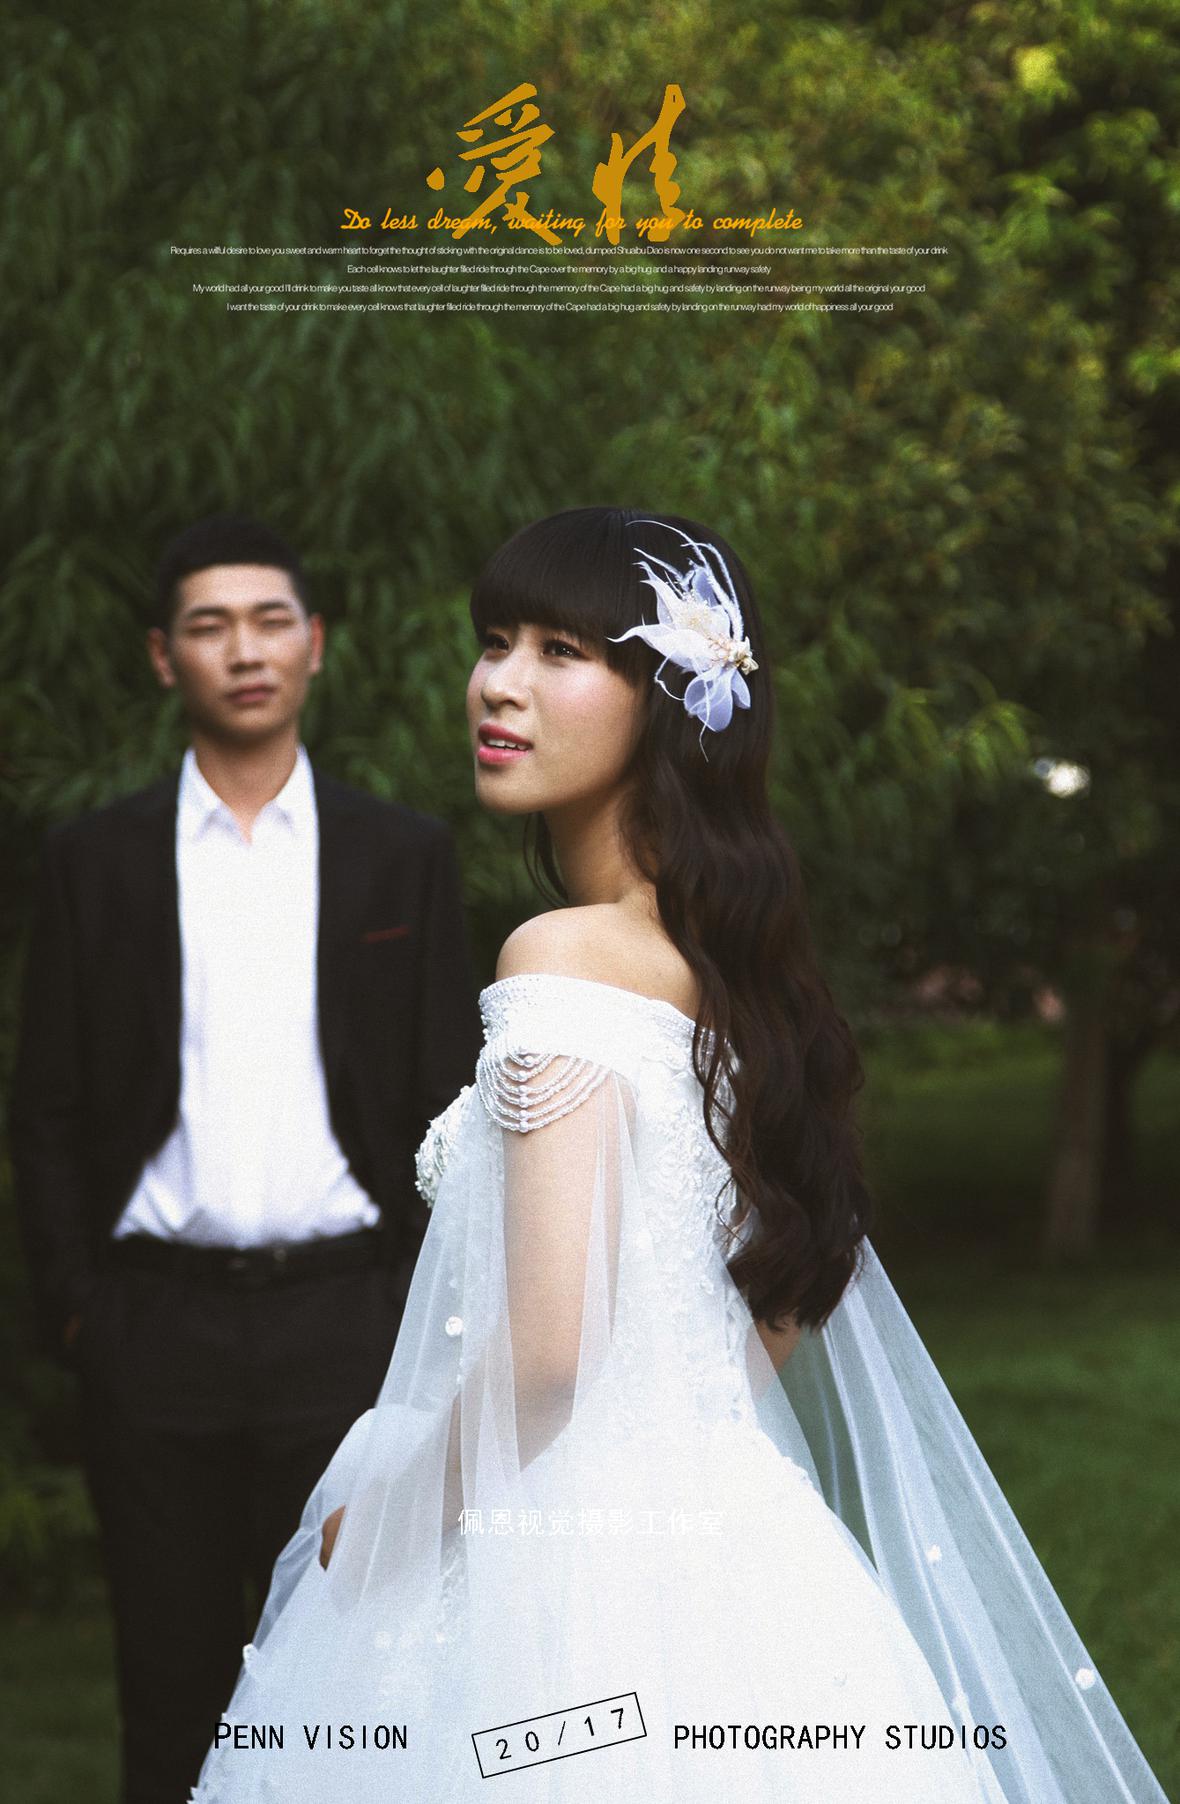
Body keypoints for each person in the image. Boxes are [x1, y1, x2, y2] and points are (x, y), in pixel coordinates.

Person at [190, 508, 1166, 1803]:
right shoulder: (739, 983)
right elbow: (773, 1309)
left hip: (551, 1570)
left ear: (667, 703)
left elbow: (547, 1356)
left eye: (560, 652)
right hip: (744, 1549)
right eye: (496, 640)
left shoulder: (561, 957)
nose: (499, 683)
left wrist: (389, 1524)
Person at [9, 513, 482, 1804]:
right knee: (169, 1689)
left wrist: (413, 1309)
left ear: (315, 643)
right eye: (209, 625)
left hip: (348, 1325)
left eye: (271, 620)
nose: (245, 649)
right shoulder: (95, 861)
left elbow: (448, 1100)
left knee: (353, 1681)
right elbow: (47, 1108)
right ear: (164, 656)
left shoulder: (401, 856)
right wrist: (80, 1312)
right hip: (152, 1329)